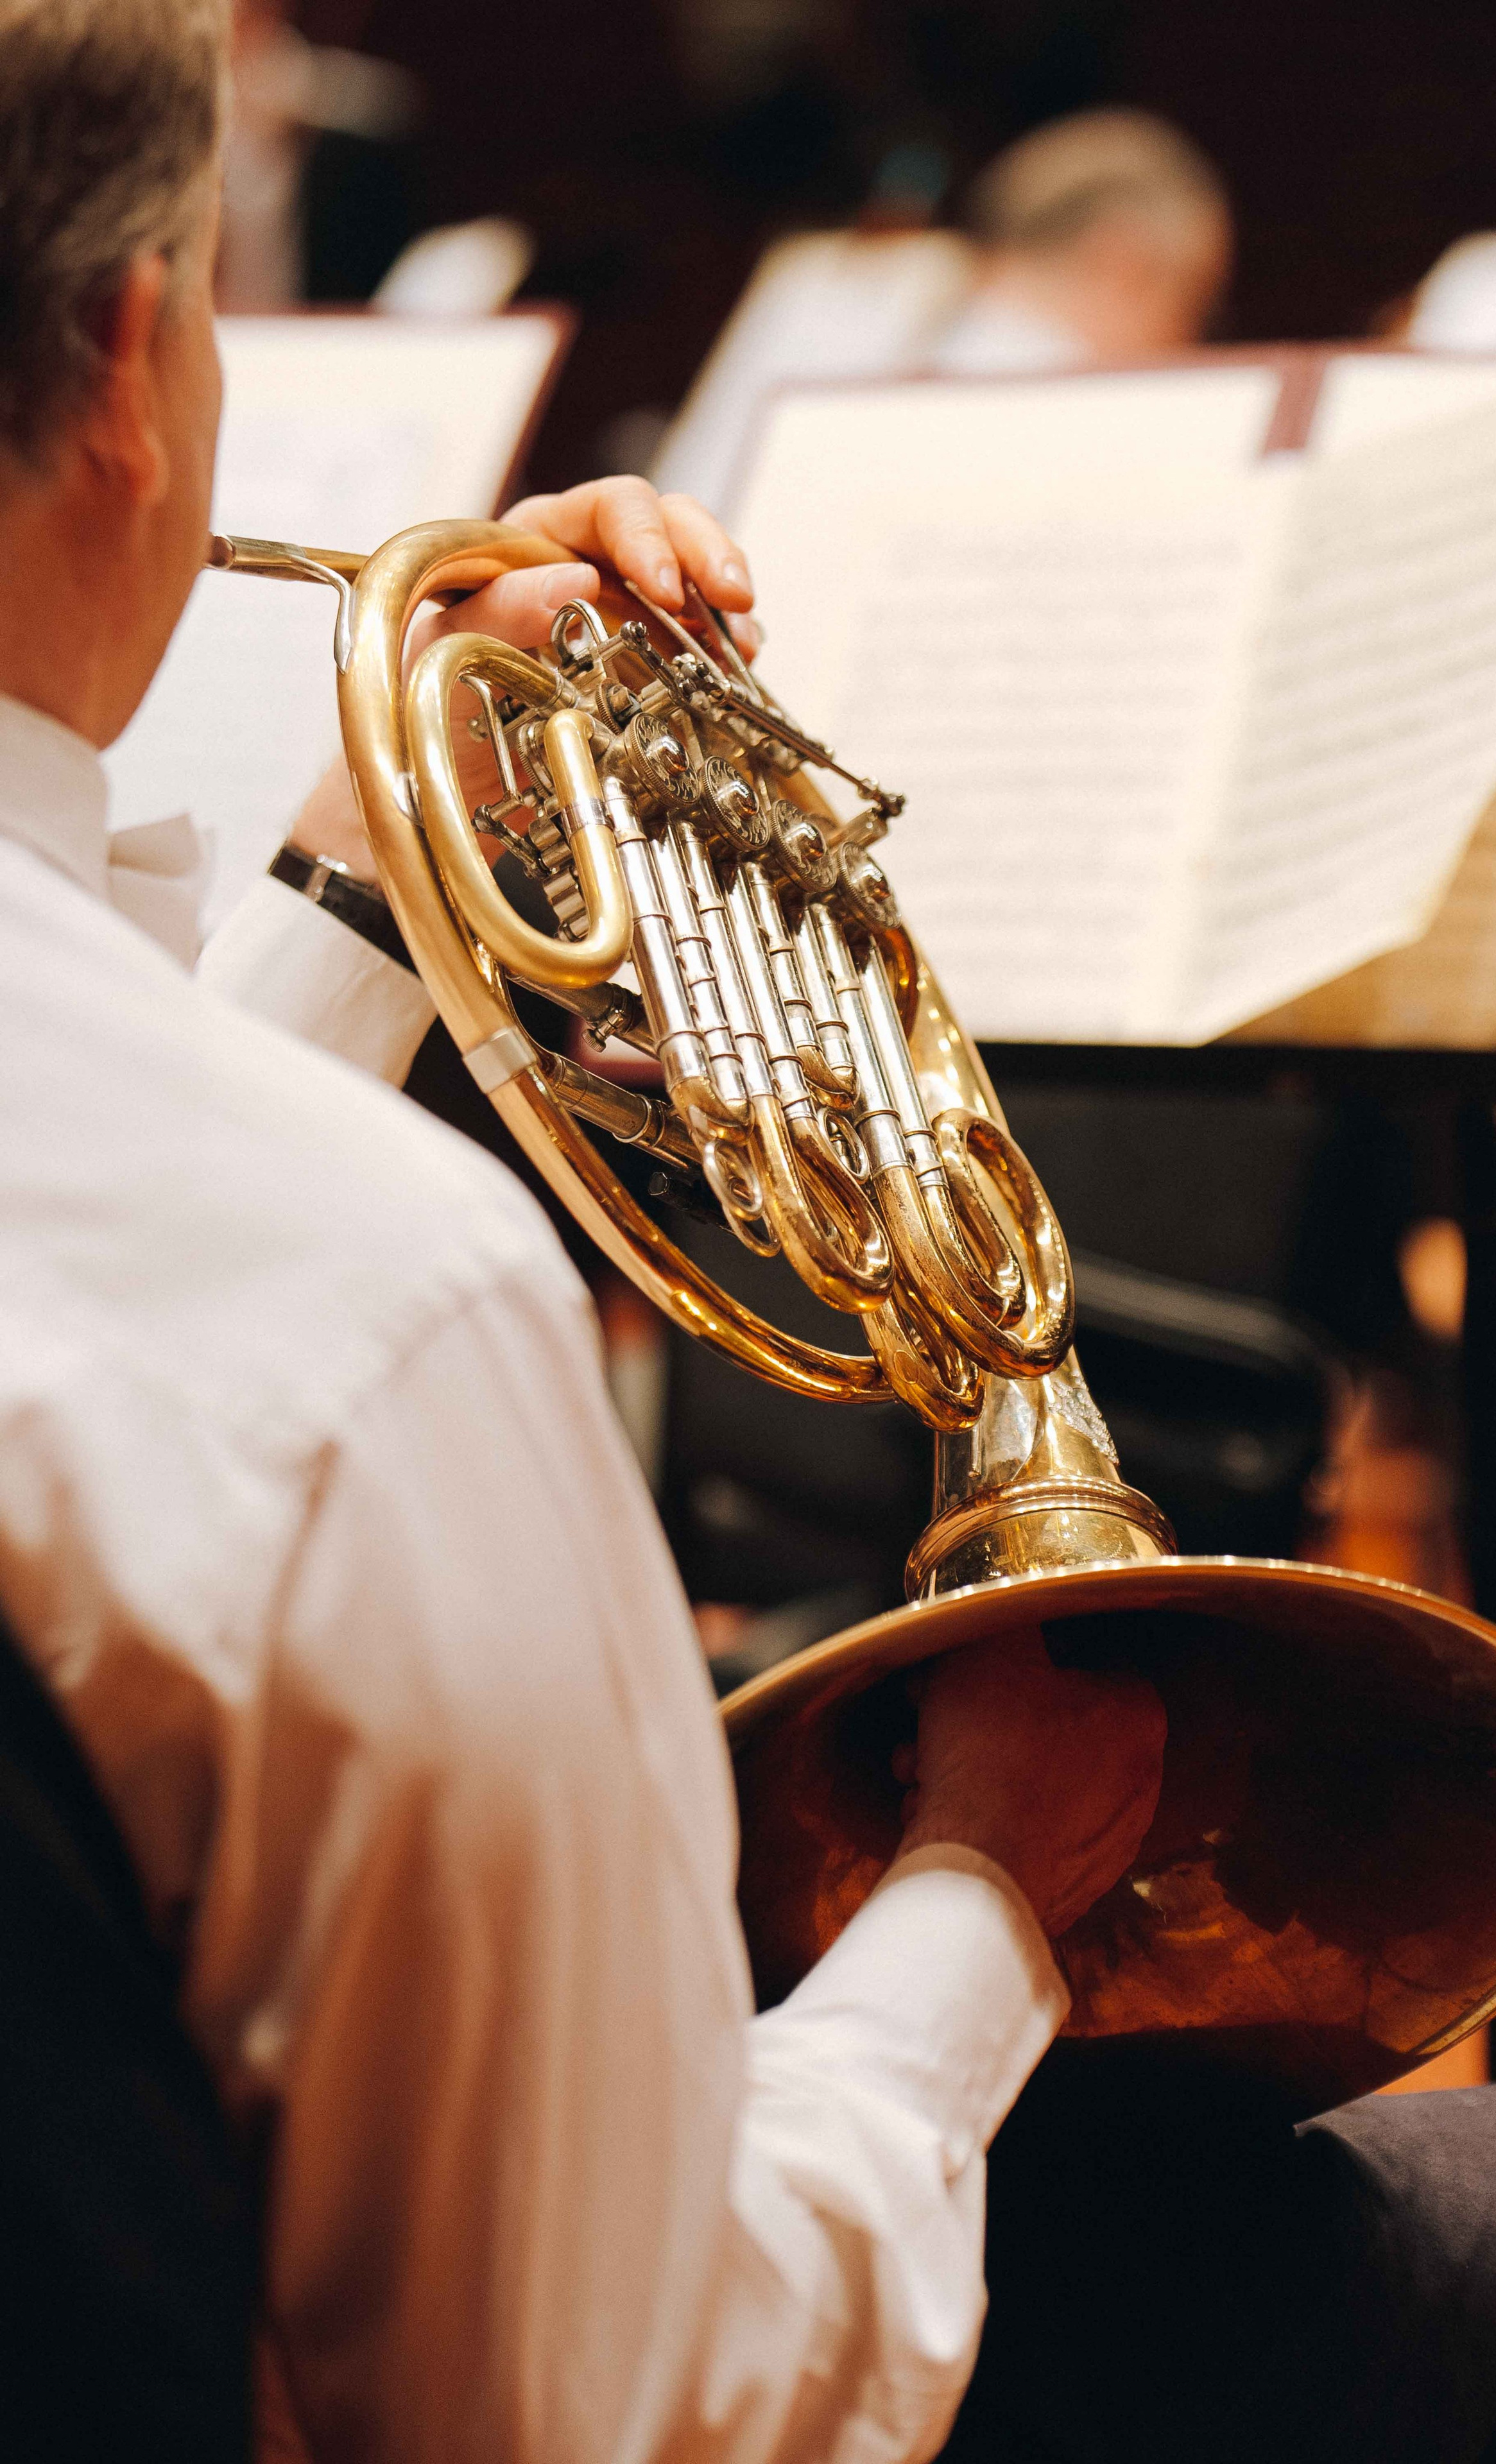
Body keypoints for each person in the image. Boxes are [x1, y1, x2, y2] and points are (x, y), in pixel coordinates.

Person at [0, 4, 1167, 2456]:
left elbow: (97, 1272)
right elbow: (621, 2404)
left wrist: (367, 861)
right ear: (130, 355)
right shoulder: (383, 1310)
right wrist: (981, 1896)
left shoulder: (232, 1268)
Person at [651, 109, 1232, 517]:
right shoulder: (1114, 415)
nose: (1188, 345)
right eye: (1193, 307)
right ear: (1119, 258)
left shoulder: (822, 297)